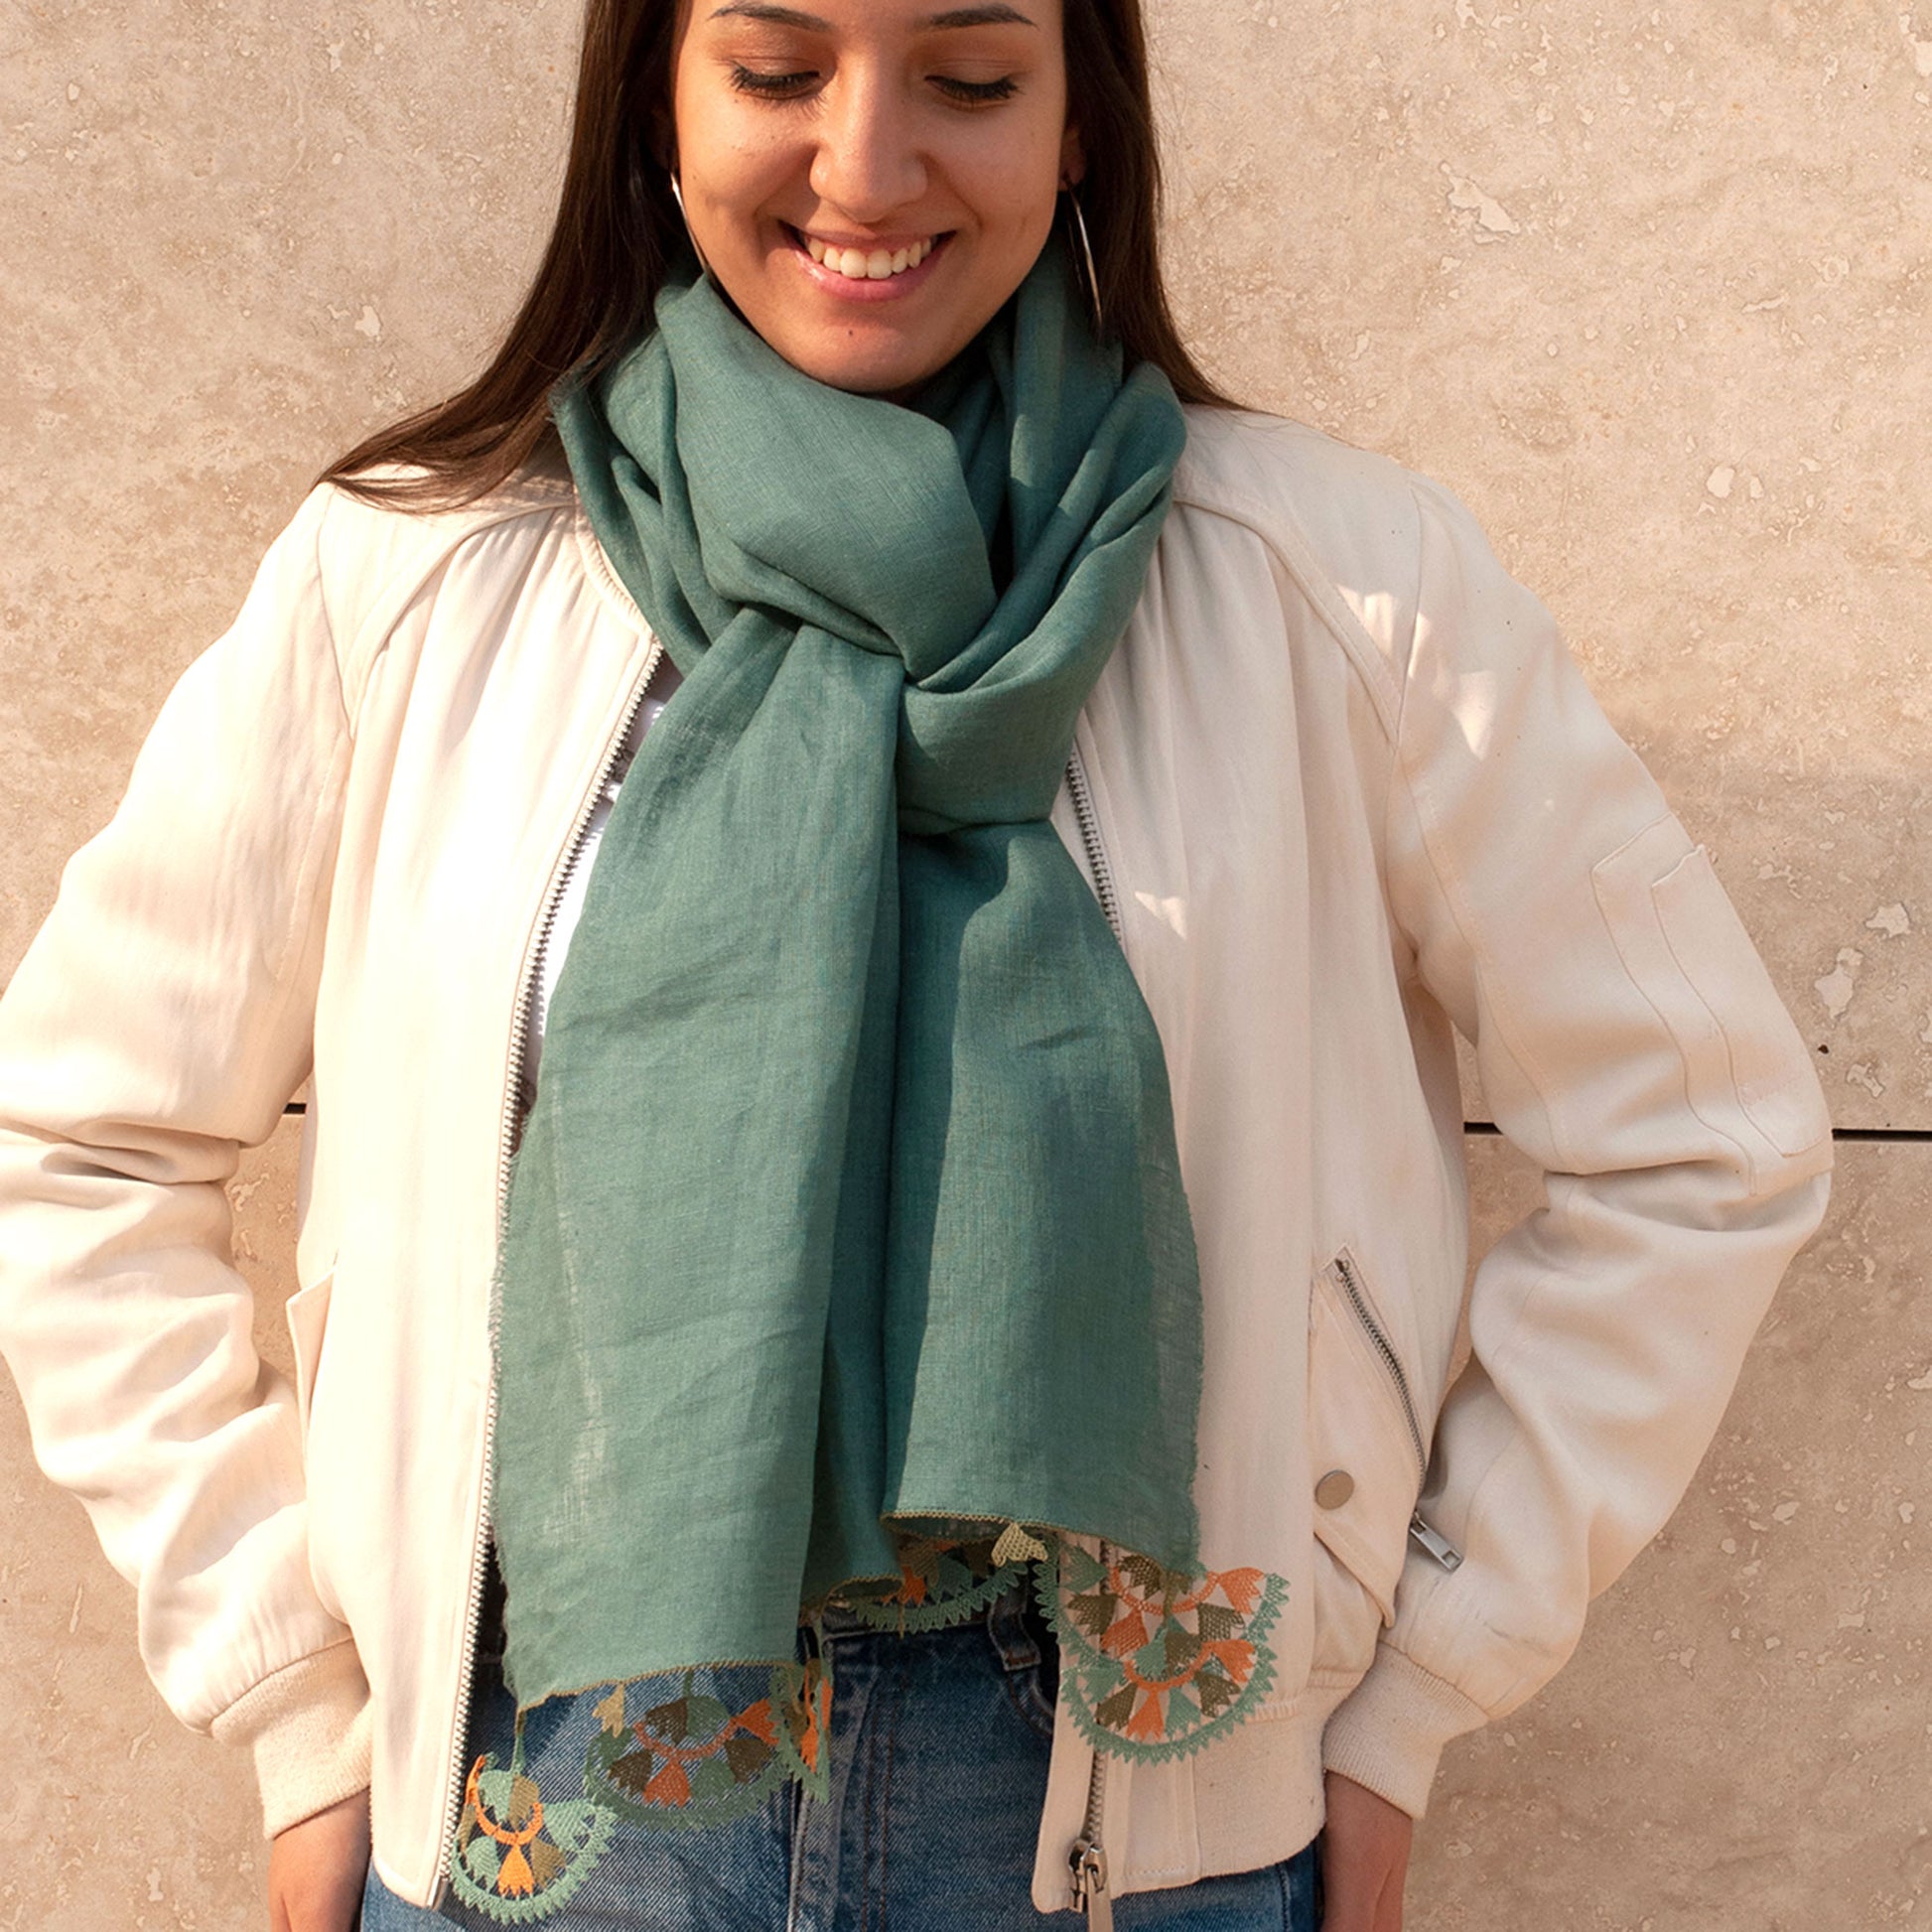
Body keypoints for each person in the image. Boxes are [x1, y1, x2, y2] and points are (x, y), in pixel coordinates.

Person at [0, 0, 1834, 1928]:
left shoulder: (1331, 583)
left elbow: (1699, 1139)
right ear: (656, 101)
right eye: (776, 70)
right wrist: (290, 1699)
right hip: (544, 1797)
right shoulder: (410, 579)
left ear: (1076, 117)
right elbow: (78, 1135)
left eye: (968, 78)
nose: (867, 170)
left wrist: (1419, 1689)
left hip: (1136, 1818)